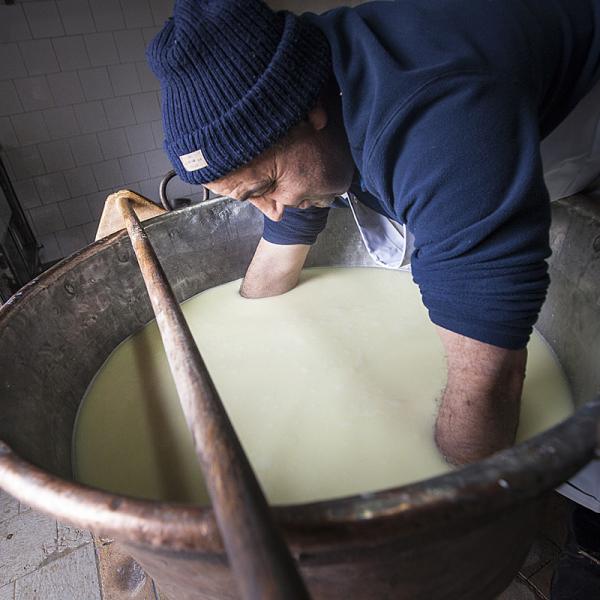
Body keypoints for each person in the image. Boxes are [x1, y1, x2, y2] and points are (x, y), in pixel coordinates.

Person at [147, 0, 600, 594]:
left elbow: (492, 377)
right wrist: (245, 324)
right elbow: (290, 214)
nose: (270, 209)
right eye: (245, 197)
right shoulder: (311, 87)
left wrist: (444, 526)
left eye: (265, 187)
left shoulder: (438, 119)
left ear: (310, 114)